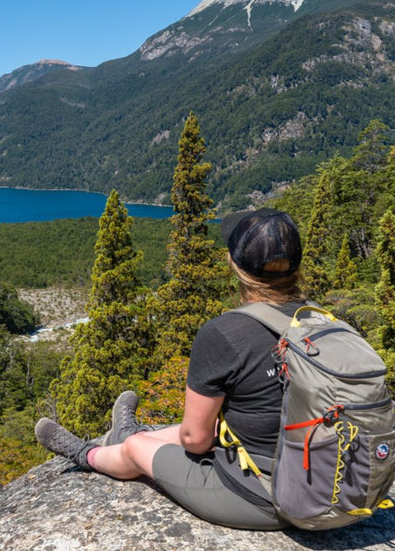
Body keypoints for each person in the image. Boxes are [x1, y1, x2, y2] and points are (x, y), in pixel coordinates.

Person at [34, 207, 306, 530]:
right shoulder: (323, 324)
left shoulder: (224, 333)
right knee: (214, 427)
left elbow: (195, 441)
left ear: (235, 266)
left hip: (268, 498)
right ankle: (126, 432)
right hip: (337, 484)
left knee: (141, 449)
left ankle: (87, 454)